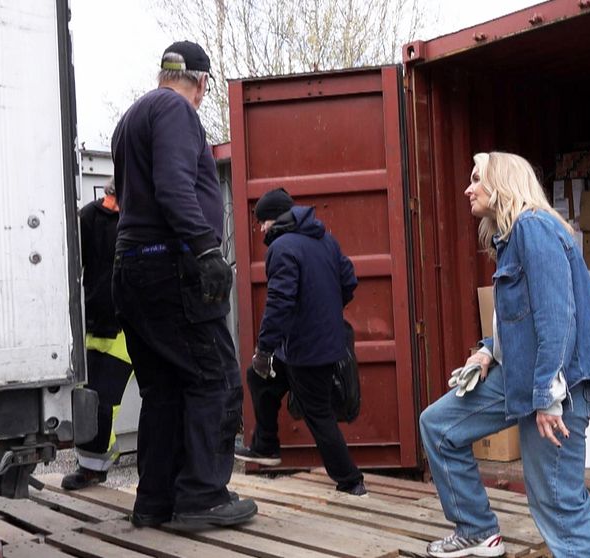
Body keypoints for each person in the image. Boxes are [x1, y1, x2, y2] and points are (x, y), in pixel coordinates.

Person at [419, 152, 590, 558]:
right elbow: (520, 320)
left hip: (557, 383)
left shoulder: (534, 227)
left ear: (502, 182)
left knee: (556, 501)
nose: (468, 188)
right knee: (439, 427)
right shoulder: (514, 235)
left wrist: (549, 396)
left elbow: (556, 316)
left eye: (477, 178)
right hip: (520, 372)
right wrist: (486, 353)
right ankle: (477, 531)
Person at [110, 40, 256, 528]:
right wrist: (207, 249)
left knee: (164, 389)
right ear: (201, 81)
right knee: (214, 377)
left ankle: (155, 501)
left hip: (134, 269)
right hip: (171, 269)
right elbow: (174, 186)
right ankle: (202, 495)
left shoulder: (131, 117)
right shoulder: (175, 109)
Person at [236, 188, 367, 496]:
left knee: (318, 414)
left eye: (262, 222)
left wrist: (263, 348)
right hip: (311, 343)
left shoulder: (281, 248)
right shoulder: (326, 240)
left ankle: (351, 481)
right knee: (259, 378)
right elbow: (348, 282)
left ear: (274, 220)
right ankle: (266, 446)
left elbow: (279, 302)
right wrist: (326, 312)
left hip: (306, 350)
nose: (260, 229)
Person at [61, 181, 135, 490]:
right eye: (110, 199)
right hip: (95, 324)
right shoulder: (87, 218)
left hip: (128, 327)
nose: (112, 205)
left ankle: (95, 466)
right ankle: (92, 467)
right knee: (92, 403)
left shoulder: (139, 217)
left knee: (106, 402)